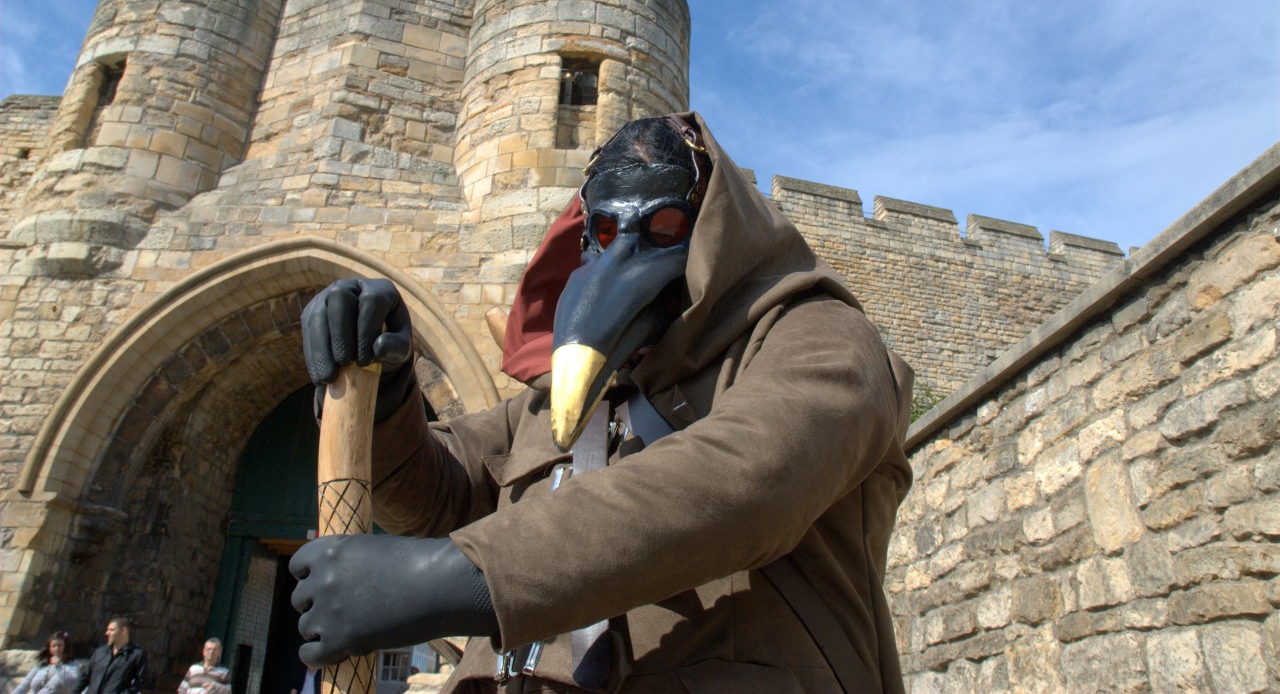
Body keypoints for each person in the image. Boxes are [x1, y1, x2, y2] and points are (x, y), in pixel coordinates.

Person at [292, 112, 913, 692]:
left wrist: (457, 580)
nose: (623, 256)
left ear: (712, 237)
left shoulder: (819, 340)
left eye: (664, 227)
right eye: (605, 231)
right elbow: (438, 493)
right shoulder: (557, 405)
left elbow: (747, 483)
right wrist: (389, 395)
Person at [78, 618, 146, 694]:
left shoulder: (136, 654)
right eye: (107, 630)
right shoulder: (100, 652)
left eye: (112, 630)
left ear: (123, 631)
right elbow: (85, 677)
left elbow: (139, 682)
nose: (107, 633)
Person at [13, 631, 79, 694]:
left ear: (66, 646)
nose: (57, 649)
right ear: (49, 648)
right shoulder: (41, 665)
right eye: (53, 646)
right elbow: (23, 687)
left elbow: (71, 683)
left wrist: (59, 666)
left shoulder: (72, 665)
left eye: (60, 645)